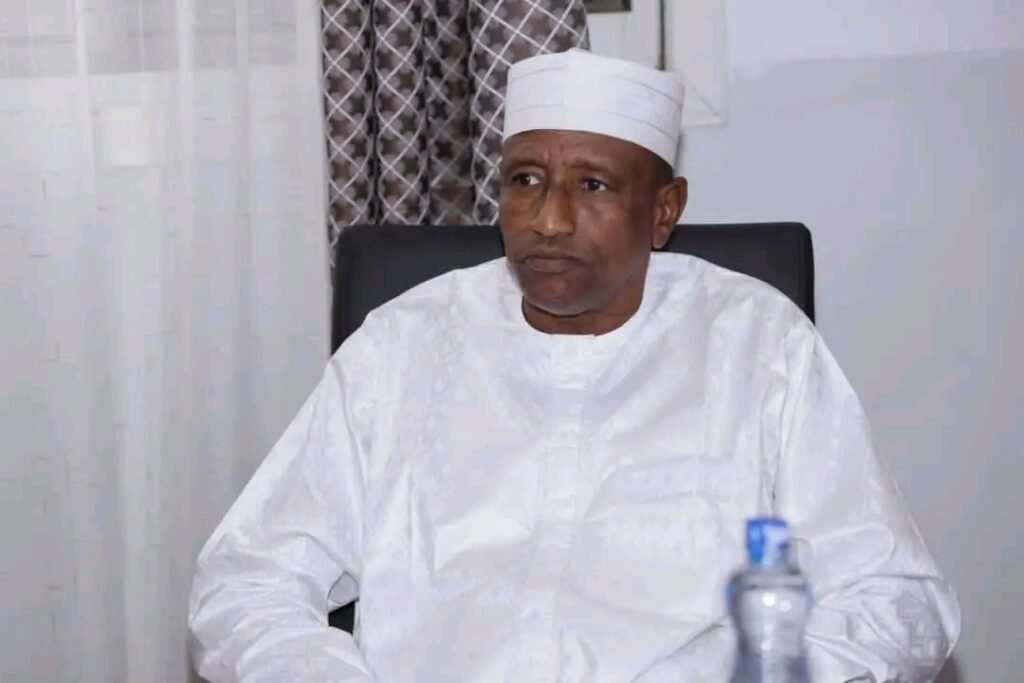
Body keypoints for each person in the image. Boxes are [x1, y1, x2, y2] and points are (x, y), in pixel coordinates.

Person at [189, 49, 959, 683]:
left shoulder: (758, 346)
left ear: (663, 211)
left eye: (592, 186)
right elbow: (246, 579)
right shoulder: (404, 346)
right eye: (525, 180)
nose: (548, 220)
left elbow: (896, 597)